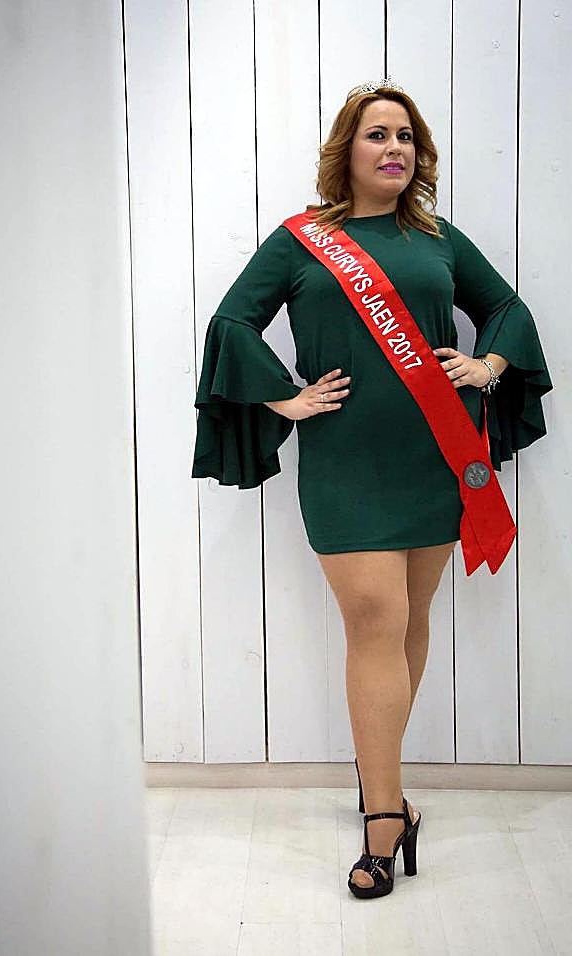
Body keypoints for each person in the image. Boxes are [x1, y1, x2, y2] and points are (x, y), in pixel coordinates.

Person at [191, 80, 553, 899]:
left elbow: (505, 307)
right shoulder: (304, 239)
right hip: (346, 459)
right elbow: (232, 322)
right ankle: (386, 817)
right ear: (346, 150)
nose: (395, 148)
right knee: (375, 618)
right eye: (377, 134)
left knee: (410, 619)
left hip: (435, 454)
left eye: (406, 137)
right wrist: (284, 398)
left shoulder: (437, 239)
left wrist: (488, 364)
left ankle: (378, 779)